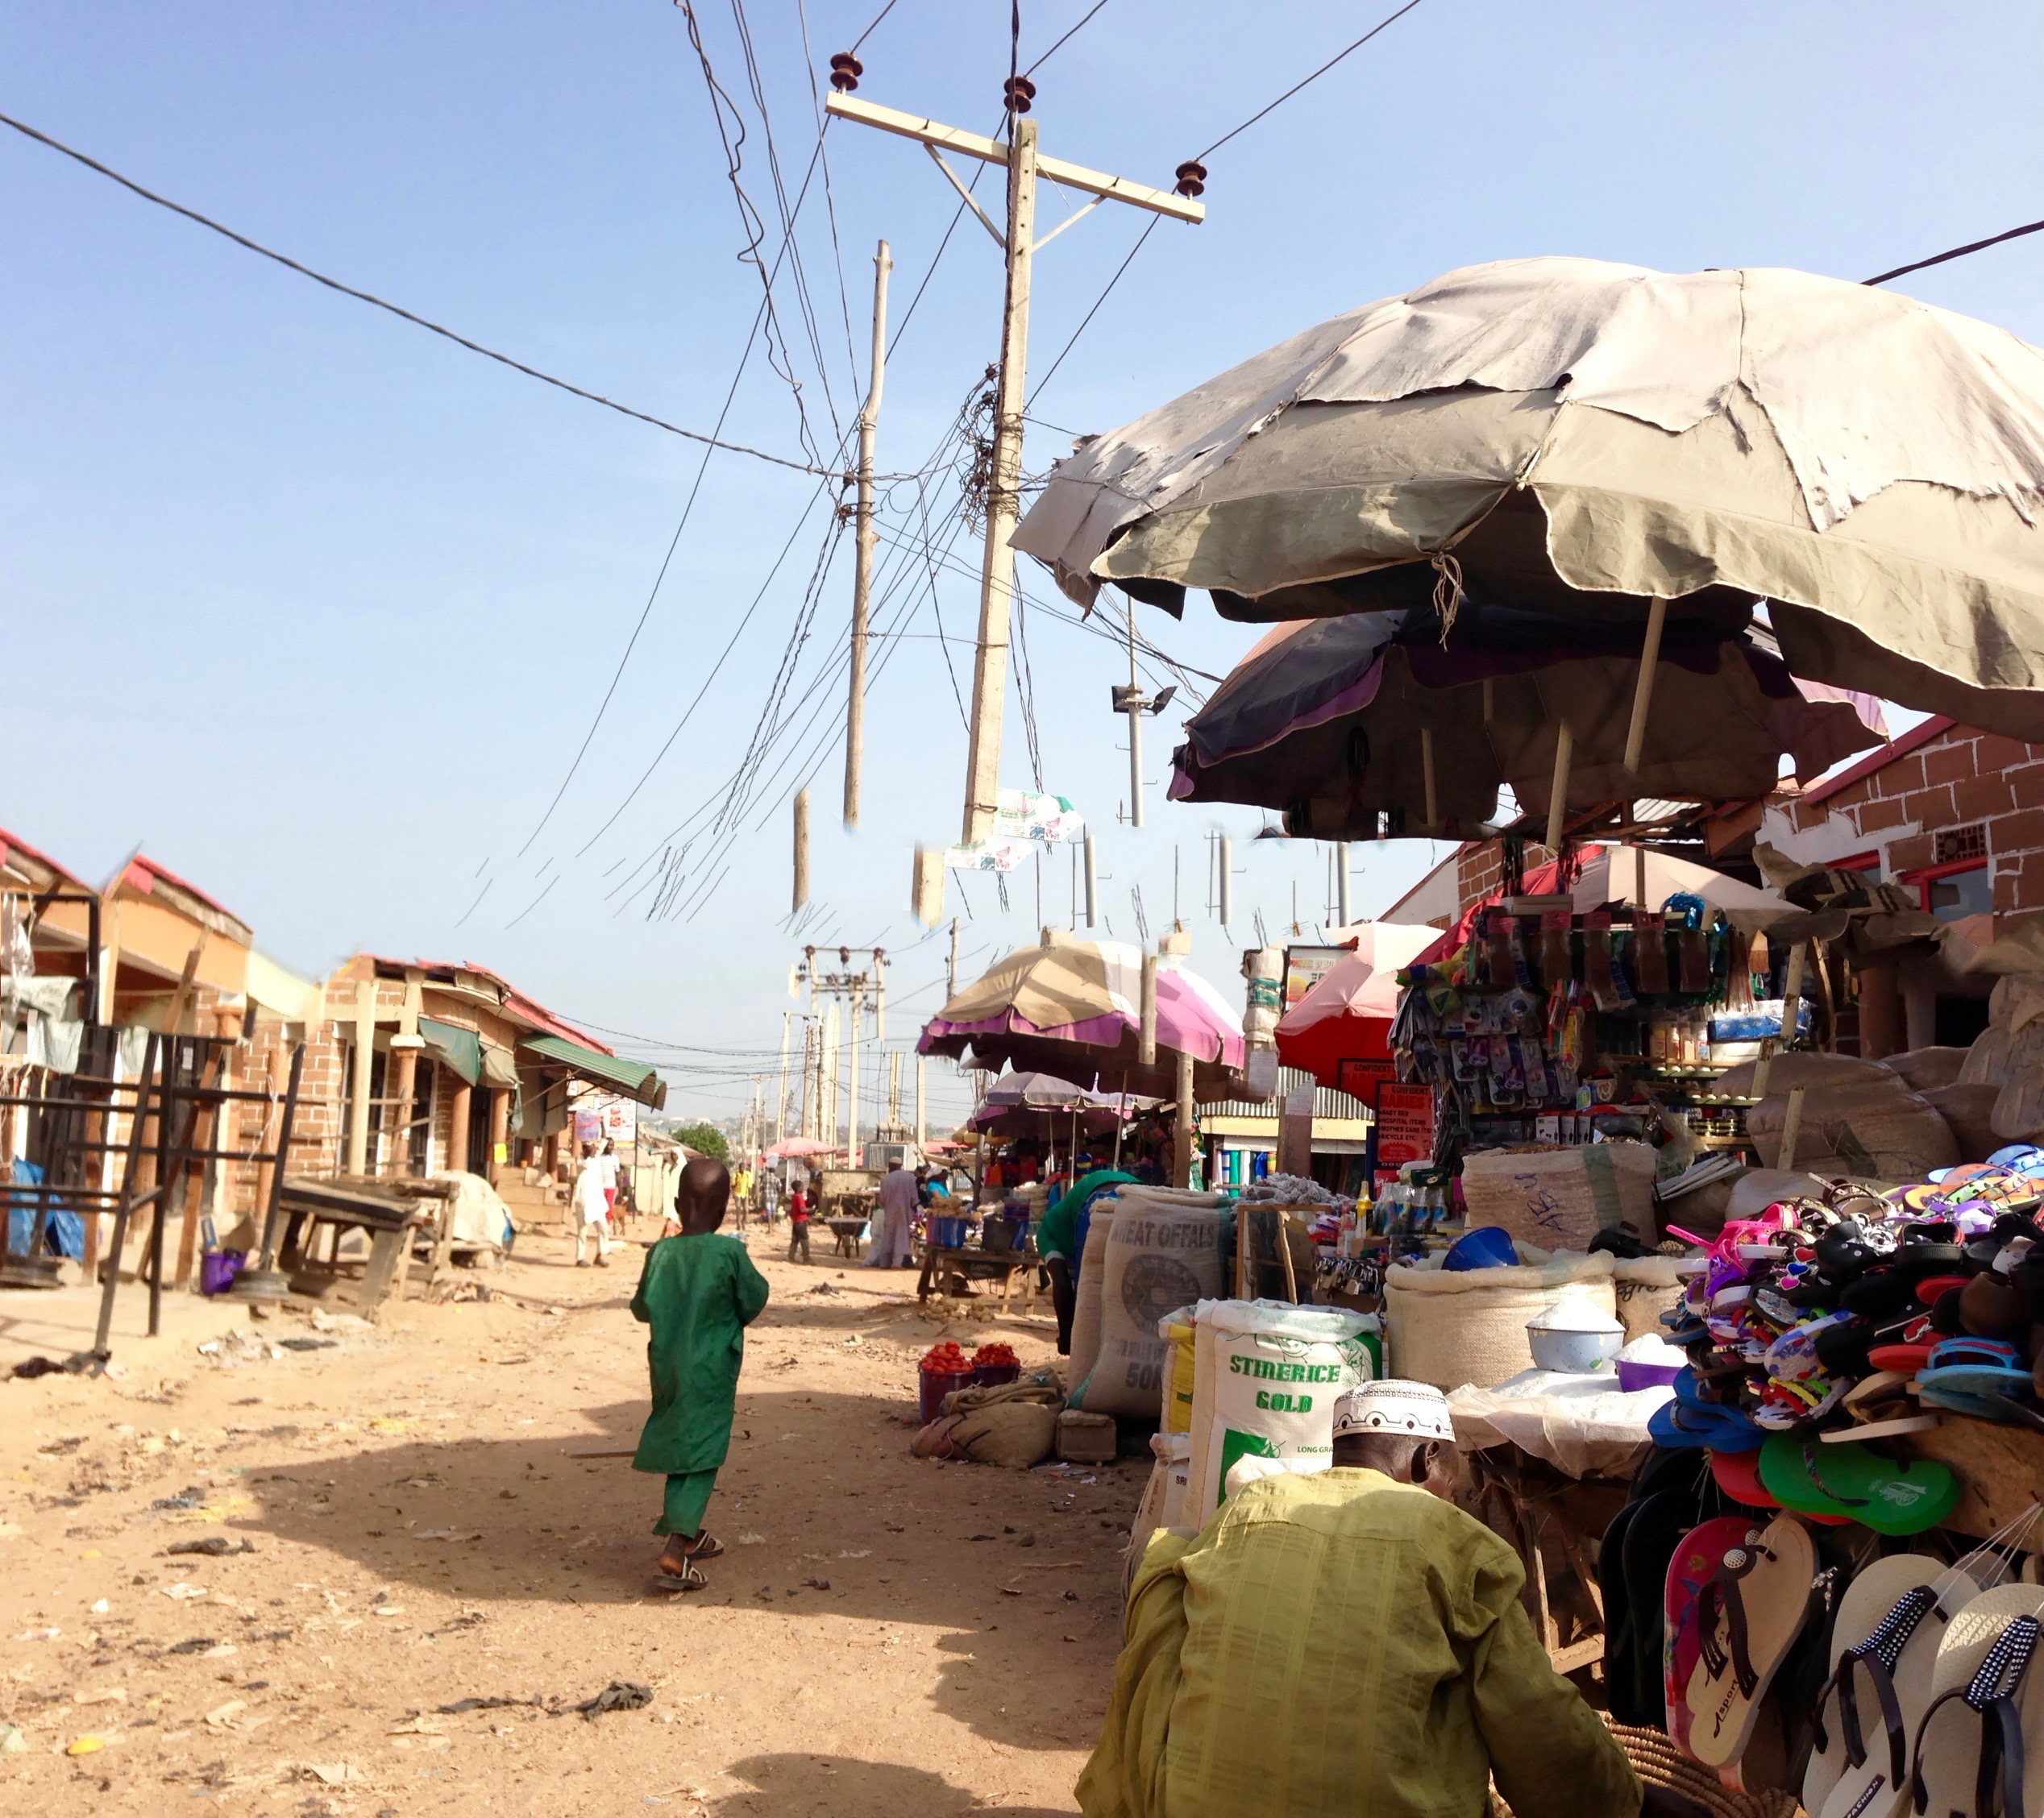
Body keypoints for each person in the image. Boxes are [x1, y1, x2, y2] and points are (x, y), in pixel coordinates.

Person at [1078, 1380, 1675, 1818]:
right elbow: (1539, 1728)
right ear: (1426, 1460)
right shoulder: (1459, 1543)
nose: (1455, 1496)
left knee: (1177, 1559)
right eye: (1455, 1481)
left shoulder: (1250, 1507)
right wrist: (1634, 1803)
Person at [631, 1156, 770, 1592]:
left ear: (676, 1203)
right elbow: (754, 1298)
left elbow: (641, 1308)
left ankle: (691, 1531)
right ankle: (676, 1545)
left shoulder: (661, 1252)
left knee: (681, 1440)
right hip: (711, 1368)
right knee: (704, 1450)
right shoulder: (730, 1252)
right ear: (725, 1207)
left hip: (666, 1366)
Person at [1037, 1162, 1135, 1354]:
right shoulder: (1062, 1217)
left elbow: (1062, 1284)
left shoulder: (1046, 1235)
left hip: (1097, 1198)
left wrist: (1066, 1340)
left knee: (1089, 1293)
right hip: (1138, 1191)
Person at [866, 1159, 919, 1268]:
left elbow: (882, 1200)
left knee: (889, 1236)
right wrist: (915, 1213)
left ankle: (885, 1263)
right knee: (902, 1236)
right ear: (901, 1166)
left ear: (891, 1166)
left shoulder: (886, 1179)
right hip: (905, 1213)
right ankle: (899, 1263)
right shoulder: (910, 1178)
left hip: (890, 1212)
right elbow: (914, 1199)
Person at [571, 1144, 613, 1268]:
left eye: (594, 1148)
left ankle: (600, 1255)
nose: (594, 1150)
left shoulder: (596, 1159)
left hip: (597, 1202)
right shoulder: (582, 1162)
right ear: (584, 1150)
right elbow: (588, 1157)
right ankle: (580, 1258)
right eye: (590, 1148)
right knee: (582, 1232)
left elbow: (603, 1143)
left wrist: (601, 1125)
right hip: (584, 1202)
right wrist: (591, 1150)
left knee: (603, 1228)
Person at [785, 1179, 812, 1263]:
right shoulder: (799, 1197)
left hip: (796, 1221)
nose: (803, 1188)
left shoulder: (794, 1197)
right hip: (801, 1221)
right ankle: (806, 1259)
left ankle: (791, 1257)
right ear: (798, 1188)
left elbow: (793, 1209)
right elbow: (802, 1210)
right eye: (802, 1186)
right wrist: (811, 1210)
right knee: (804, 1240)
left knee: (795, 1240)